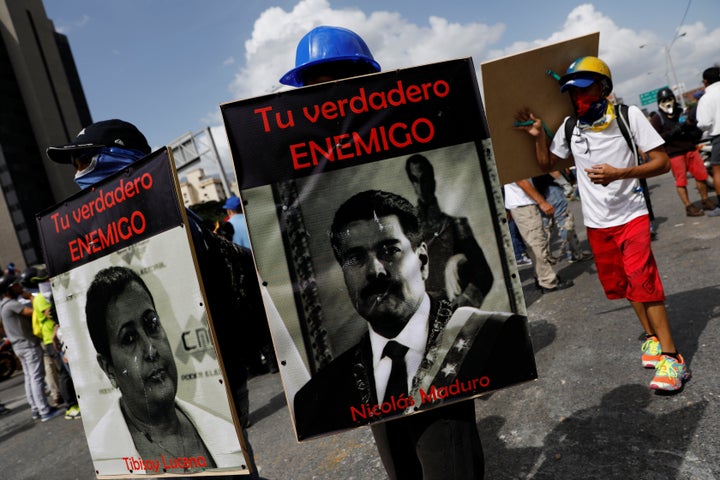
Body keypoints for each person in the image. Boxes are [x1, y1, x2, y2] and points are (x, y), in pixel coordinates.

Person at [280, 26, 519, 479]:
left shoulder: (406, 129)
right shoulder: (309, 155)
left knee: (448, 456)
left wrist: (459, 320)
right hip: (384, 366)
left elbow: (484, 276)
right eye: (314, 86)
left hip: (441, 344)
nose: (325, 95)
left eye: (337, 79)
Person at [46, 119, 263, 472]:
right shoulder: (91, 231)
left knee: (227, 466)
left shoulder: (171, 214)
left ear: (120, 157)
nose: (78, 173)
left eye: (85, 159)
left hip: (214, 371)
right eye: (75, 163)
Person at [293, 190, 533, 479]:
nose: (376, 271)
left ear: (422, 261)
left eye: (389, 250)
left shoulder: (493, 335)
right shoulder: (320, 391)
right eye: (356, 258)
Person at [515, 55, 690, 392]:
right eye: (572, 93)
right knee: (626, 285)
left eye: (585, 91)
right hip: (596, 224)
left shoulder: (629, 116)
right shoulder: (570, 127)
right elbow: (547, 162)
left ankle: (673, 358)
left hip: (632, 215)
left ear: (603, 88)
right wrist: (538, 136)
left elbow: (662, 163)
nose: (578, 99)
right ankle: (652, 337)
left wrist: (620, 173)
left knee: (643, 279)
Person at [85, 266, 244, 473]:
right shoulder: (105, 459)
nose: (151, 350)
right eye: (129, 338)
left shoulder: (224, 432)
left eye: (151, 324)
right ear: (109, 369)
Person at [404, 153, 494, 307]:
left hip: (456, 310)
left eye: (424, 179)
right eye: (415, 180)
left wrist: (461, 304)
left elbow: (484, 275)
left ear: (433, 181)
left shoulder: (457, 225)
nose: (420, 186)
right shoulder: (407, 231)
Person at [20, 266, 81, 420]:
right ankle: (71, 406)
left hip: (52, 340)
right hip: (52, 340)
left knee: (64, 372)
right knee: (64, 373)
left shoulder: (41, 296)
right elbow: (52, 314)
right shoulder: (42, 298)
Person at [0, 274, 63, 422]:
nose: (19, 287)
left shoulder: (3, 305)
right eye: (16, 285)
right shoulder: (11, 304)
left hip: (18, 345)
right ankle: (44, 410)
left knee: (29, 377)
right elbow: (33, 312)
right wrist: (31, 298)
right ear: (9, 289)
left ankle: (35, 408)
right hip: (27, 345)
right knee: (36, 377)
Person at [649, 87, 717, 216]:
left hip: (690, 149)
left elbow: (695, 126)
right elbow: (656, 138)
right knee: (681, 181)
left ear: (674, 99)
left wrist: (690, 130)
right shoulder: (658, 118)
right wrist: (673, 132)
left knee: (701, 175)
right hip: (674, 153)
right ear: (659, 102)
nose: (667, 102)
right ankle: (688, 206)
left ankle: (705, 200)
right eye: (663, 100)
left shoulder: (682, 112)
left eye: (669, 99)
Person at [503, 179, 574, 293]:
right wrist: (542, 202)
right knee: (537, 243)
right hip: (524, 204)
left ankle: (541, 277)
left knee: (533, 243)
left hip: (521, 204)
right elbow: (521, 180)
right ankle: (548, 281)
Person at [532, 173, 593, 263]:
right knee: (564, 221)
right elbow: (550, 169)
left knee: (546, 226)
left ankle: (546, 257)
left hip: (538, 190)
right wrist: (565, 183)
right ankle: (574, 254)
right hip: (551, 186)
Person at [696, 66, 720, 207]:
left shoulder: (706, 98)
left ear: (705, 82)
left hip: (718, 137)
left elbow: (704, 123)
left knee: (717, 171)